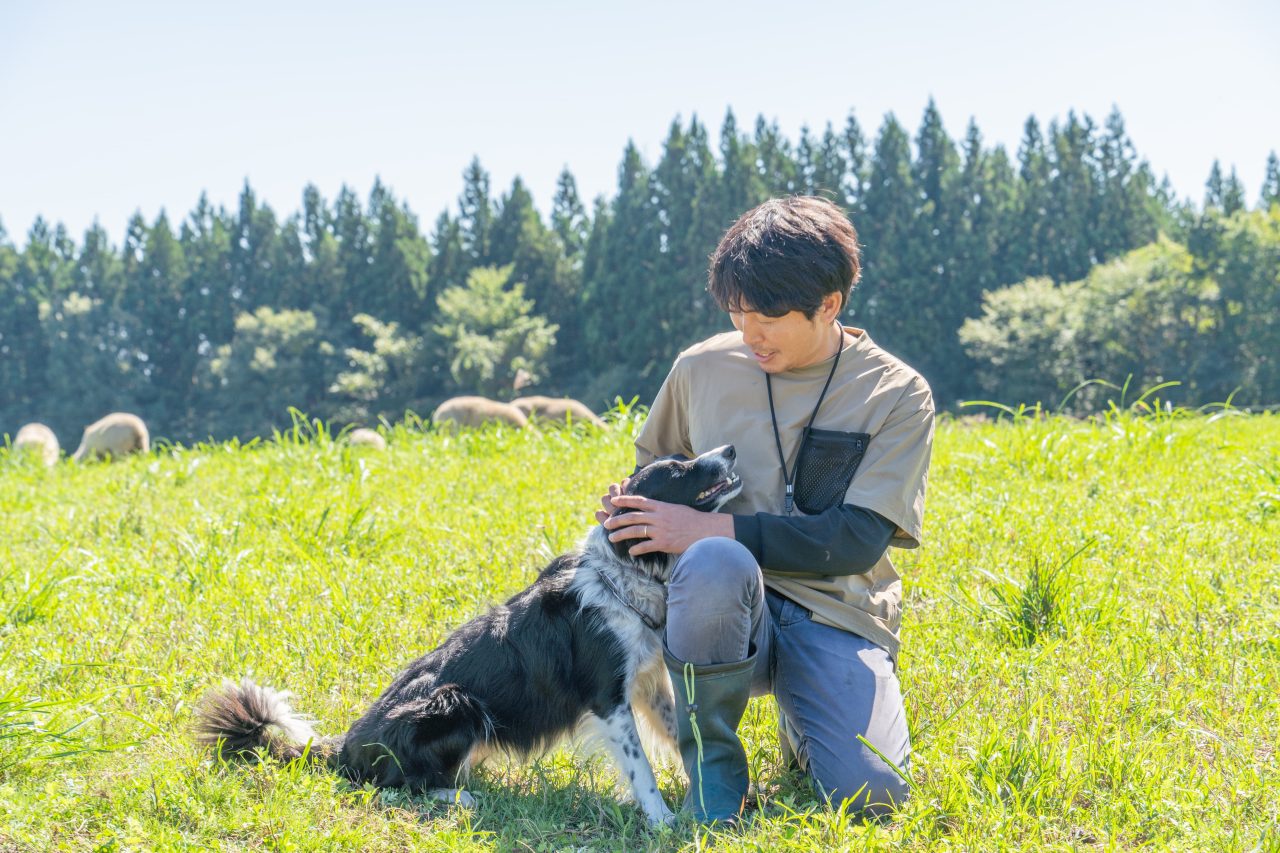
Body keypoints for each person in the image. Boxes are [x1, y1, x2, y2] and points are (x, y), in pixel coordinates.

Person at [596, 196, 934, 822]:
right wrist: (629, 508)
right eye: (736, 310)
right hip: (709, 599)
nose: (749, 332)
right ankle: (714, 769)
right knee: (715, 562)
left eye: (769, 316)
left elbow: (855, 541)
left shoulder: (896, 392)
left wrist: (700, 526)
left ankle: (803, 720)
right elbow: (651, 478)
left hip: (833, 609)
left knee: (873, 797)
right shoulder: (699, 367)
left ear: (829, 305)